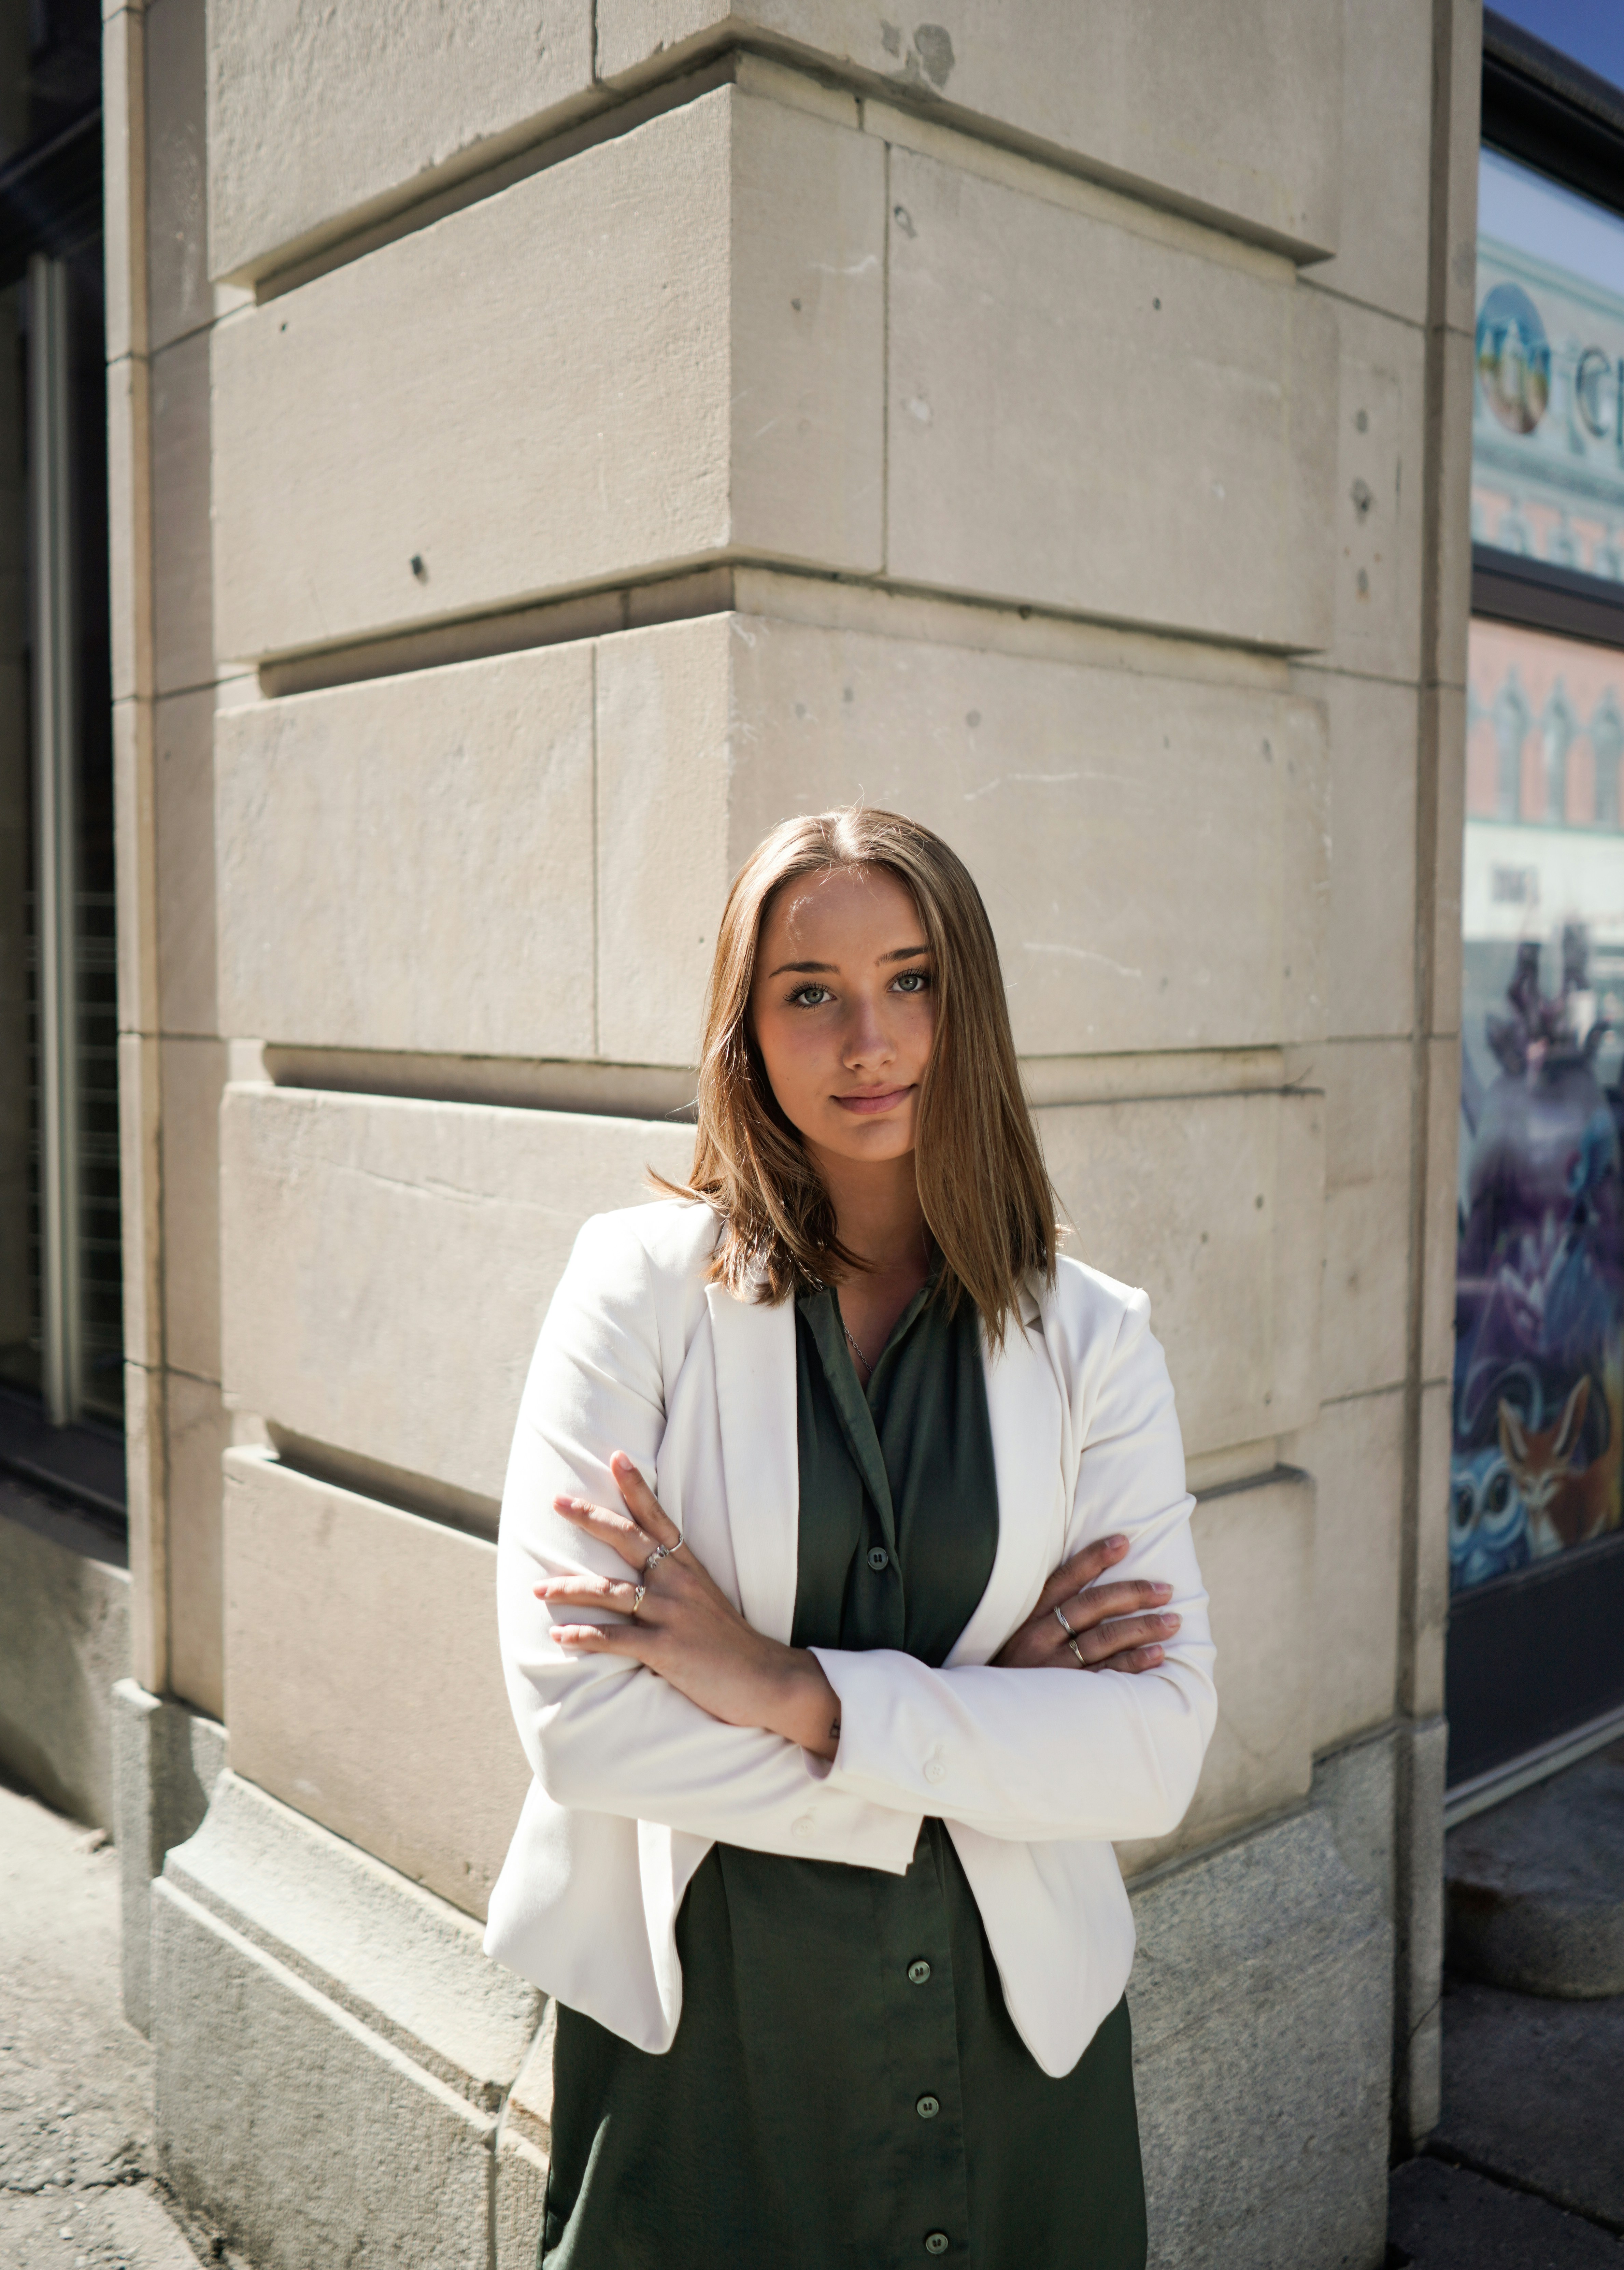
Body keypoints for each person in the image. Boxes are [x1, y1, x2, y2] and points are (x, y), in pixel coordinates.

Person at [485, 806, 1216, 2268]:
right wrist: (981, 1727)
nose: (868, 1040)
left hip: (1020, 2047)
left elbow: (1155, 1749)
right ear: (745, 1030)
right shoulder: (635, 1293)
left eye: (911, 979)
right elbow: (579, 1724)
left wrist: (786, 1688)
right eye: (809, 991)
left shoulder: (1094, 1338)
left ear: (968, 1000)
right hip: (711, 2055)